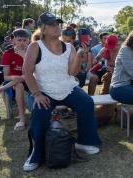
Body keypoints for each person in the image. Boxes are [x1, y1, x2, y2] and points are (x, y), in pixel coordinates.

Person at [22, 12, 101, 171]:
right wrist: (37, 93)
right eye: (52, 24)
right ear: (43, 29)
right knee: (39, 110)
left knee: (86, 102)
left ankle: (85, 141)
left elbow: (72, 72)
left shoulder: (69, 46)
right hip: (44, 90)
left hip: (67, 88)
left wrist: (79, 55)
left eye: (58, 24)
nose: (57, 27)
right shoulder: (35, 46)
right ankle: (36, 153)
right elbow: (27, 71)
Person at [1, 29, 29, 130]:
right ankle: (22, 119)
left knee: (25, 78)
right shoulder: (8, 53)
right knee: (19, 85)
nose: (22, 43)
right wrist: (15, 77)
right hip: (13, 81)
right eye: (19, 40)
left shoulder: (32, 52)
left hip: (29, 79)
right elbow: (6, 76)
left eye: (25, 40)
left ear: (28, 41)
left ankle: (0, 89)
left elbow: (32, 73)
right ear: (14, 41)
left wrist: (24, 57)